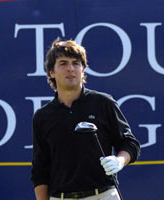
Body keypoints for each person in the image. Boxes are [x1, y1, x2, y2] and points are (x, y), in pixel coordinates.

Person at [31, 38, 140, 200]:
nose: (70, 69)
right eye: (63, 63)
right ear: (51, 72)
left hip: (103, 195)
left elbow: (130, 144)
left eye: (76, 63)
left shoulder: (103, 103)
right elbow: (40, 168)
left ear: (83, 70)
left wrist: (119, 160)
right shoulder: (43, 116)